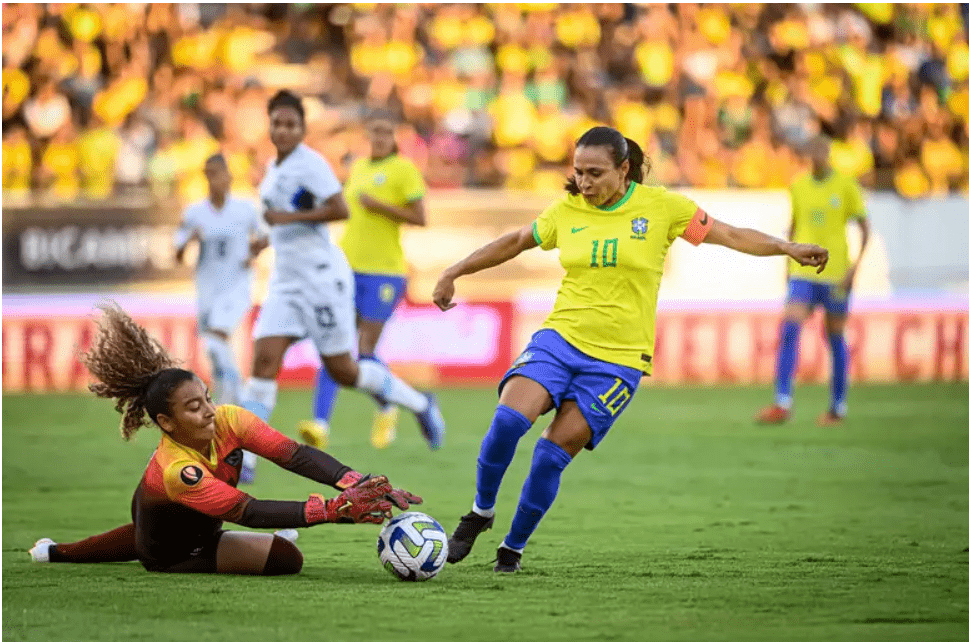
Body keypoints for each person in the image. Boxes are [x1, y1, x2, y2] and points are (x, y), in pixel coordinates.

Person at [432, 126, 829, 573]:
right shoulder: (568, 210)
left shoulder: (663, 208)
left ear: (624, 170)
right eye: (578, 172)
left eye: (595, 173)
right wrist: (455, 271)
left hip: (618, 361)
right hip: (561, 337)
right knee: (507, 421)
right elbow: (515, 241)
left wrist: (786, 247)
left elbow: (730, 235)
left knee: (550, 456)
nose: (584, 183)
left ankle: (512, 548)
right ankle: (479, 514)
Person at [28, 304, 421, 575]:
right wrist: (332, 509)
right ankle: (60, 553)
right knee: (287, 559)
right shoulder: (179, 471)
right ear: (166, 422)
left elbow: (295, 455)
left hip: (182, 520)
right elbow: (245, 512)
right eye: (193, 407)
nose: (209, 410)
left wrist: (356, 482)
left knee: (152, 531)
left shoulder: (230, 419)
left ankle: (56, 552)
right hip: (177, 551)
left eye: (207, 398)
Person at [239, 90, 445, 482]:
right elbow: (277, 217)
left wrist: (287, 218)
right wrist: (264, 238)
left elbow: (339, 209)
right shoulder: (273, 168)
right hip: (286, 281)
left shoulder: (311, 165)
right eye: (277, 123)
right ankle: (246, 459)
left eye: (291, 124)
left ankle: (419, 403)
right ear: (269, 126)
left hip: (322, 279)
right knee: (263, 362)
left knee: (346, 369)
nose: (283, 130)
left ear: (301, 129)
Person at [302, 109, 430, 450]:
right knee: (335, 345)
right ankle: (320, 424)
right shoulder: (358, 167)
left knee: (364, 349)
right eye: (374, 133)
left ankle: (392, 403)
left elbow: (421, 217)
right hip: (347, 268)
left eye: (385, 133)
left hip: (384, 271)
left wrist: (381, 207)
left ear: (394, 137)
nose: (378, 139)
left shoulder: (403, 170)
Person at [755, 136, 870, 427]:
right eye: (812, 152)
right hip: (802, 272)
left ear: (828, 154)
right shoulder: (799, 186)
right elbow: (794, 225)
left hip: (835, 273)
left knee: (834, 338)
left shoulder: (846, 185)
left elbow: (864, 227)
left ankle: (837, 407)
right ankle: (782, 402)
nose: (816, 157)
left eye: (820, 152)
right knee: (790, 327)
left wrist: (854, 269)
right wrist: (786, 266)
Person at [174, 154, 268, 407]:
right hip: (207, 287)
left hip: (237, 284)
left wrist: (254, 251)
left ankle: (238, 397)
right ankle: (226, 402)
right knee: (213, 349)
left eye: (218, 173)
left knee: (216, 339)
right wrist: (191, 240)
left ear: (228, 175)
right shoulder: (195, 212)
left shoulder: (246, 208)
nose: (214, 179)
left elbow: (265, 237)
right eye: (209, 174)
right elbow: (177, 253)